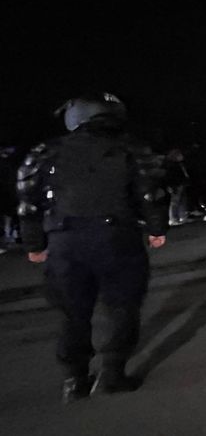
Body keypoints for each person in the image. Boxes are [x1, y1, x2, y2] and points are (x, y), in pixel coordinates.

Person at [16, 93, 168, 402]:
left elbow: (28, 201)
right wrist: (156, 229)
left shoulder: (47, 151)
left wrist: (34, 243)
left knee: (73, 311)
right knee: (123, 305)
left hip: (65, 239)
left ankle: (75, 379)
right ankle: (113, 372)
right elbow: (151, 192)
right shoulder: (131, 147)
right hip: (117, 237)